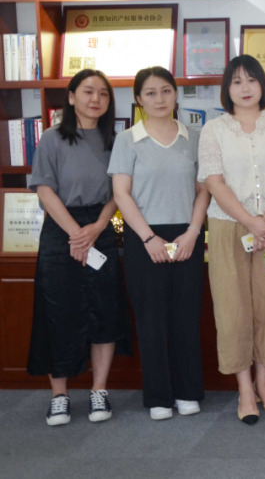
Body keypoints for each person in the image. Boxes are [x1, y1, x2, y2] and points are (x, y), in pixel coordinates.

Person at [28, 69, 131, 426]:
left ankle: (98, 390)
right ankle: (59, 395)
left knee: (104, 310)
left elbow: (119, 193)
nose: (95, 99)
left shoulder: (116, 141)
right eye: (87, 91)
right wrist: (76, 234)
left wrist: (98, 227)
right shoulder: (52, 138)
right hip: (61, 230)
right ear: (71, 97)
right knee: (59, 312)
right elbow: (44, 190)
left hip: (100, 227)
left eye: (103, 93)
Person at [198, 55, 265, 425]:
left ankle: (264, 384)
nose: (244, 88)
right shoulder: (214, 130)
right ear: (227, 88)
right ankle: (244, 390)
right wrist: (250, 221)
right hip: (229, 227)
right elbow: (213, 181)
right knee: (232, 307)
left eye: (251, 80)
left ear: (262, 85)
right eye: (236, 81)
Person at [109, 66, 211, 420]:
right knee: (150, 319)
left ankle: (187, 392)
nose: (159, 99)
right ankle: (158, 396)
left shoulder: (194, 137)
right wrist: (149, 237)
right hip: (143, 236)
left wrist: (193, 231)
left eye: (166, 90)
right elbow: (121, 194)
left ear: (176, 94)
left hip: (187, 235)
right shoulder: (127, 140)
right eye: (150, 93)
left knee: (186, 316)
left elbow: (203, 190)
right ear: (138, 99)